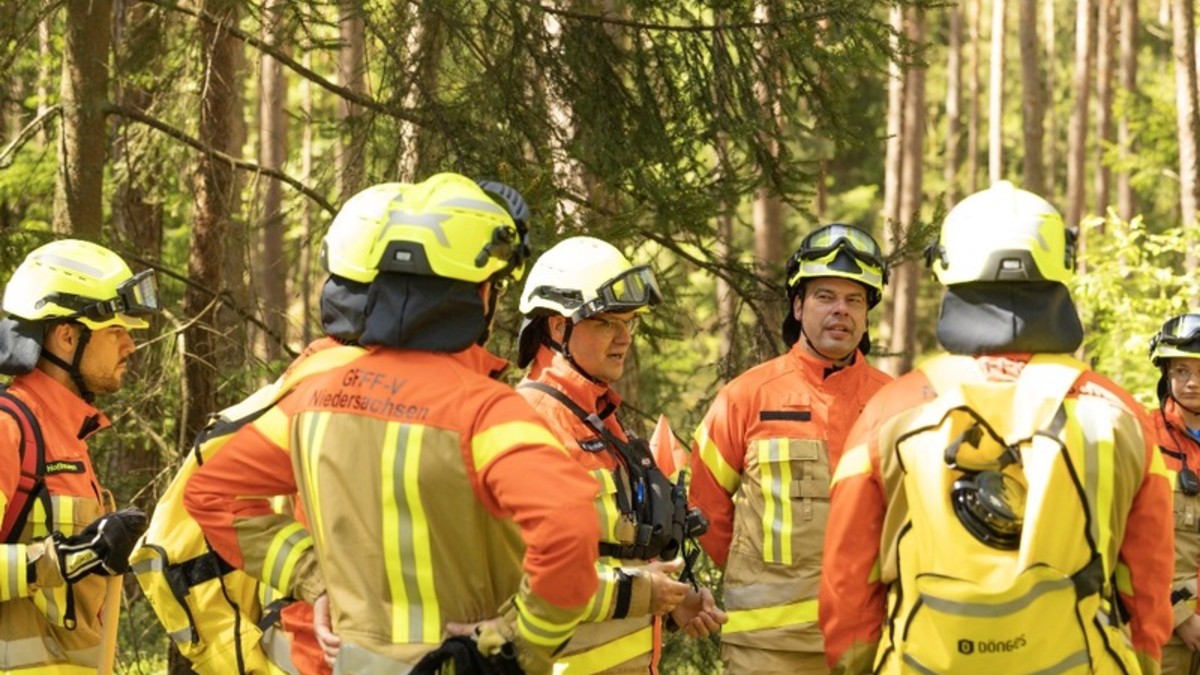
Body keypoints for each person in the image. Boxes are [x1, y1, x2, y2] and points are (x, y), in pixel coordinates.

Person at [184, 172, 601, 675]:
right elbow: (568, 528)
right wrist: (517, 644)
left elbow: (210, 494)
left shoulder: (314, 397)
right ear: (479, 295)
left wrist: (314, 580)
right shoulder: (487, 412)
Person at [819, 182, 1174, 675]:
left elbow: (848, 583)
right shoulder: (1120, 416)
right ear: (1063, 266)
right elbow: (1148, 584)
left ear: (945, 268)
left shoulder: (890, 413)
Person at [132, 185, 405, 675]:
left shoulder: (320, 371)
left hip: (314, 646)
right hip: (333, 654)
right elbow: (214, 494)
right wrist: (314, 577)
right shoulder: (348, 388)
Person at [514, 236, 726, 675]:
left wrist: (672, 603)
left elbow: (612, 553)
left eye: (629, 323)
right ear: (558, 327)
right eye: (608, 323)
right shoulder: (530, 422)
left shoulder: (600, 421)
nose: (625, 338)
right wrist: (641, 593)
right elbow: (521, 581)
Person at [687, 224, 892, 675]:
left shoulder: (897, 403)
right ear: (798, 306)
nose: (841, 311)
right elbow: (702, 504)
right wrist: (753, 572)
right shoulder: (745, 397)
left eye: (854, 299)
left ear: (866, 313)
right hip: (765, 650)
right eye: (825, 296)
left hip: (871, 644)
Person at [0, 239, 158, 674]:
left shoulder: (68, 438)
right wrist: (72, 556)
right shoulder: (8, 429)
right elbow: (63, 562)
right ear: (67, 336)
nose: (130, 346)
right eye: (116, 331)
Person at [1148, 313, 1200, 675]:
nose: (1192, 383)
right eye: (1181, 371)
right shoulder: (1140, 436)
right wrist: (1180, 613)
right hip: (1162, 631)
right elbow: (1123, 536)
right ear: (1166, 374)